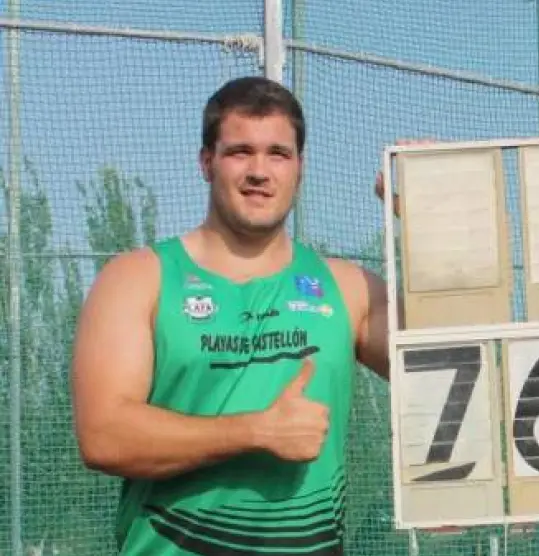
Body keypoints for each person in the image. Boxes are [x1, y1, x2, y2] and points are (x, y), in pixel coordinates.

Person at [71, 75, 400, 555]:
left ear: (300, 167)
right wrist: (256, 431)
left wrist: (430, 216)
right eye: (240, 152)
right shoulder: (138, 278)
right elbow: (104, 436)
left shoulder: (348, 288)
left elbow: (456, 361)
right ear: (206, 162)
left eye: (278, 154)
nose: (259, 171)